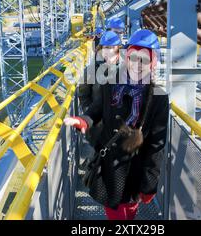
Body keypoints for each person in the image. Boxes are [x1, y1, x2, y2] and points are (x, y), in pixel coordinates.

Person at [64, 29, 169, 220]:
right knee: (117, 213)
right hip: (110, 164)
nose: (138, 64)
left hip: (135, 168)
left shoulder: (158, 97)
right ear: (127, 57)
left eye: (145, 60)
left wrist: (150, 183)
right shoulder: (110, 81)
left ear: (153, 62)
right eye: (134, 57)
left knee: (129, 212)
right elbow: (97, 109)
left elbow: (156, 144)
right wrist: (84, 120)